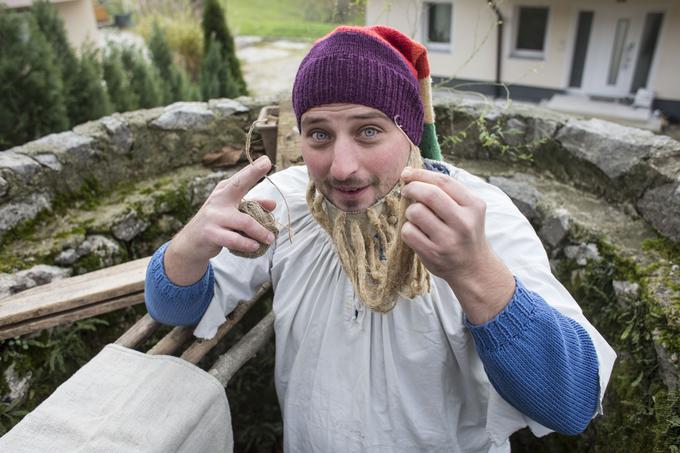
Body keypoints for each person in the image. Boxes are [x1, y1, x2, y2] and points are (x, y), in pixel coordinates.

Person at [145, 25, 616, 452]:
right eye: (319, 135)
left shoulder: (477, 218)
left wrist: (475, 272)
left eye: (369, 131)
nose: (342, 167)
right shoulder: (284, 204)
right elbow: (173, 308)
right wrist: (190, 246)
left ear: (409, 132)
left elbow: (570, 404)